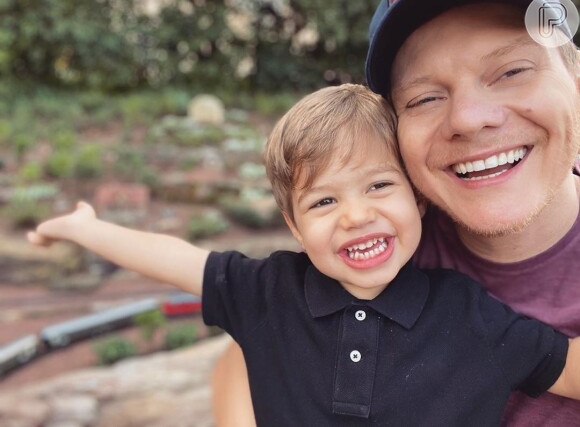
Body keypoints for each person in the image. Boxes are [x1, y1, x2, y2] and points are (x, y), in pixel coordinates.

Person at [28, 84, 580, 426]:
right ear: (294, 225)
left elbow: (568, 372)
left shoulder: (469, 314)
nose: (356, 215)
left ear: (417, 196)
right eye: (323, 200)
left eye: (379, 186)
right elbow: (170, 257)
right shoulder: (268, 290)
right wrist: (86, 229)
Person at [211, 0, 580, 426]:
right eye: (423, 98)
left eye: (512, 71)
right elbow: (255, 343)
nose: (468, 118)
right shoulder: (383, 244)